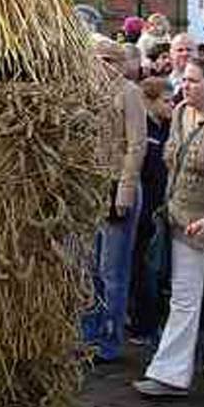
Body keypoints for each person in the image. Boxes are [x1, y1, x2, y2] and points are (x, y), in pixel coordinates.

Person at [134, 59, 204, 396]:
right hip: (181, 222)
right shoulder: (180, 112)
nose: (186, 85)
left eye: (194, 81)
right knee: (183, 299)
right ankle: (169, 374)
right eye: (187, 80)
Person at [83, 37, 147, 362]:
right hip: (93, 189)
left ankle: (109, 339)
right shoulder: (90, 92)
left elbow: (136, 147)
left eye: (104, 61)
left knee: (113, 271)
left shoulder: (130, 93)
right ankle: (89, 333)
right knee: (90, 268)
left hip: (117, 188)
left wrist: (124, 191)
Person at [128, 77, 171, 344]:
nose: (171, 105)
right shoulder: (143, 129)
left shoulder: (169, 128)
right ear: (149, 101)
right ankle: (144, 326)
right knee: (145, 269)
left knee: (155, 269)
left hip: (162, 208)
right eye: (166, 101)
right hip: (146, 210)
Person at [168, 33, 195, 103]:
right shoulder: (160, 82)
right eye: (180, 50)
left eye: (189, 50)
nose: (185, 53)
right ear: (171, 54)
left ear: (196, 53)